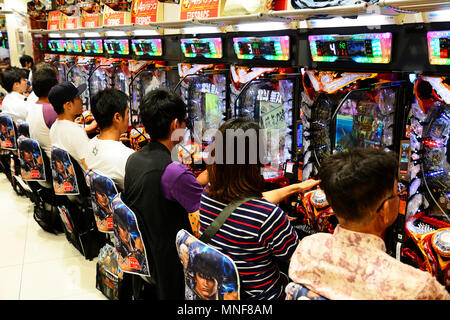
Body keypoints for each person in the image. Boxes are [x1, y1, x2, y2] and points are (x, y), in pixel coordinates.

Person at [288, 148, 450, 300]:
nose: (400, 196)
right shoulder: (417, 287)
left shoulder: (308, 247)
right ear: (384, 210)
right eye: (397, 193)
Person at [198, 118, 320, 300]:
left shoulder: (207, 195)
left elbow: (245, 205)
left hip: (224, 293)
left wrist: (296, 188)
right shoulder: (268, 216)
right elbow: (302, 262)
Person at [122, 88, 206, 300]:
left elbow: (182, 185)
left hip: (144, 253)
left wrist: (210, 173)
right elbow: (207, 207)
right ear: (174, 125)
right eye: (184, 122)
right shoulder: (172, 171)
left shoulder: (135, 159)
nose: (185, 127)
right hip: (171, 261)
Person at [84, 88, 134, 191]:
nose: (129, 117)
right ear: (117, 117)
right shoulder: (128, 157)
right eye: (128, 112)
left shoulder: (88, 145)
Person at [48, 81, 97, 171]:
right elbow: (88, 165)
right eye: (78, 98)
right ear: (68, 105)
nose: (82, 101)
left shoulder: (54, 127)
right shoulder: (75, 131)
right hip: (84, 182)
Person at [25, 62, 59, 159]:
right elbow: (68, 136)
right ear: (53, 88)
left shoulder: (34, 106)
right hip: (55, 161)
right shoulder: (51, 110)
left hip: (45, 160)